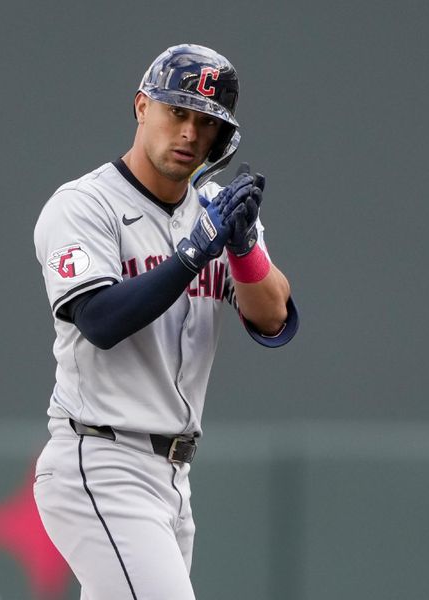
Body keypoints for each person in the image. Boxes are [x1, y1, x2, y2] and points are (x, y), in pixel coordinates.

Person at [32, 43, 298, 600]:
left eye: (205, 123)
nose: (189, 134)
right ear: (141, 107)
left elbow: (274, 319)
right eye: (177, 112)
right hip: (100, 460)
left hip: (173, 479)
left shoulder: (216, 213)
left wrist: (245, 247)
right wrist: (194, 254)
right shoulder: (85, 205)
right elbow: (100, 320)